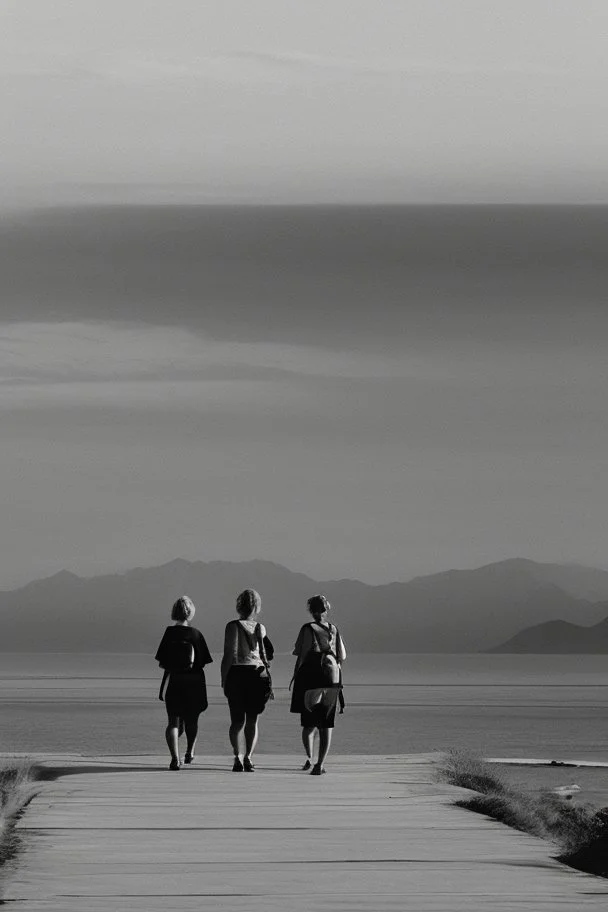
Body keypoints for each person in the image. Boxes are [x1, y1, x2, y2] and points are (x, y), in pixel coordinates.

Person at [290, 594, 346, 776]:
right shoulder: (334, 629)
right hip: (332, 677)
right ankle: (319, 764)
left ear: (310, 610)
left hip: (312, 677)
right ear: (326, 609)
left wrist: (295, 676)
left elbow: (301, 653)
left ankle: (310, 758)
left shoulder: (308, 628)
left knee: (309, 720)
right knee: (326, 722)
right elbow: (342, 656)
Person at [155, 595, 213, 770]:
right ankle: (190, 752)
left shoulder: (169, 633)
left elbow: (161, 661)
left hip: (175, 680)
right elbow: (203, 661)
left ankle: (174, 758)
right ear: (190, 613)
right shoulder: (196, 634)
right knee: (192, 720)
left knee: (173, 722)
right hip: (194, 682)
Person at [220, 589, 273, 772]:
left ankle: (237, 757)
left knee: (236, 721)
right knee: (252, 720)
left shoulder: (232, 626)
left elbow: (230, 655)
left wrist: (223, 678)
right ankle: (249, 757)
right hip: (258, 675)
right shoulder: (261, 628)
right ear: (256, 607)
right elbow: (266, 654)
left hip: (238, 674)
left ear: (239, 606)